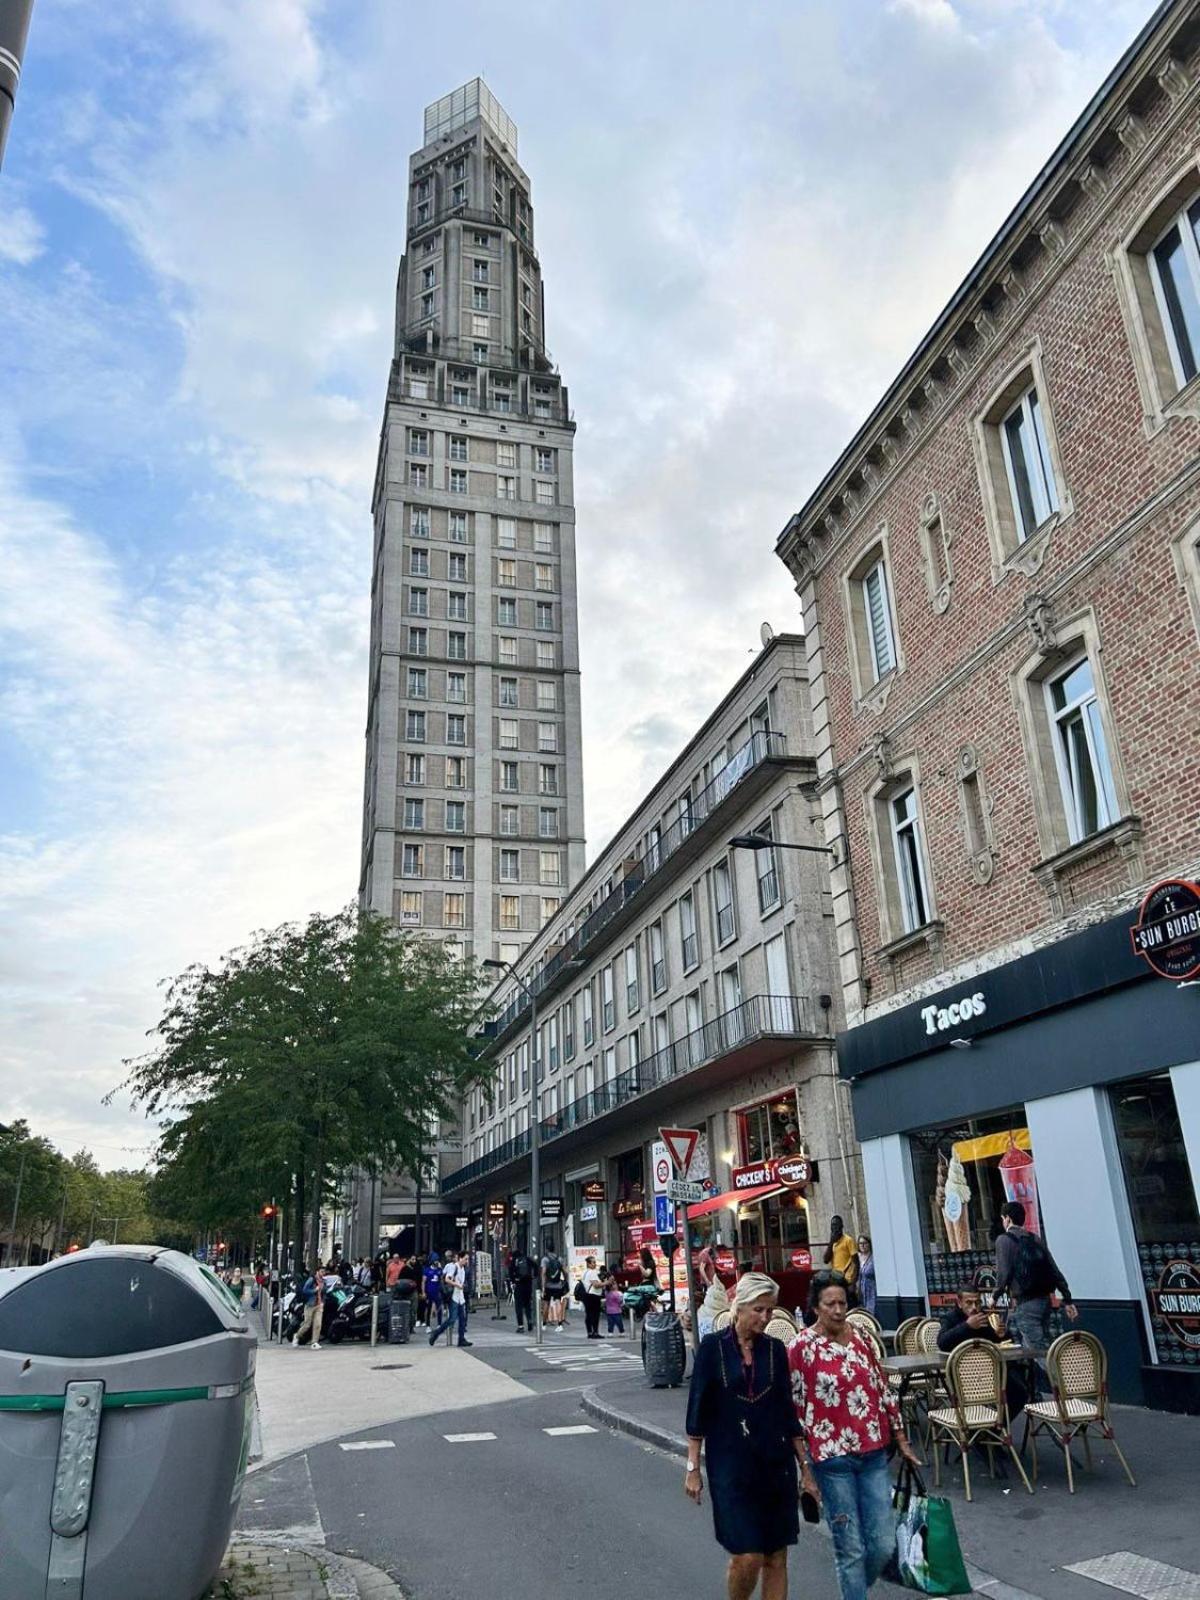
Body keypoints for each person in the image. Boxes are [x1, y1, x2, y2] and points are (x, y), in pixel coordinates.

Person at [789, 1271, 921, 1600]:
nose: (837, 1310)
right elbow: (791, 1408)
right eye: (829, 1304)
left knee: (882, 1543)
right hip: (831, 1459)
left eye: (842, 1303)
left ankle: (855, 1589)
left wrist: (901, 1438)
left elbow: (881, 1386)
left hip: (874, 1451)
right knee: (850, 1549)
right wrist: (804, 1468)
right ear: (815, 1308)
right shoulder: (801, 1348)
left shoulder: (860, 1335)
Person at [684, 1272, 805, 1600]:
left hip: (774, 1463)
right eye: (759, 1310)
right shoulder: (712, 1348)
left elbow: (787, 1411)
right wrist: (693, 1468)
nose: (765, 1318)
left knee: (777, 1556)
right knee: (747, 1555)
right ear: (739, 1308)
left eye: (770, 1311)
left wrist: (806, 1470)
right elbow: (697, 1410)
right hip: (731, 1466)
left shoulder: (776, 1350)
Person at [995, 1200, 1077, 1374]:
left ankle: (1067, 1386)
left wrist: (994, 1297)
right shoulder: (1034, 1238)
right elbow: (1053, 1269)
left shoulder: (1004, 1240)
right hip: (1044, 1301)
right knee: (1031, 1347)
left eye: (1003, 1218)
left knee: (1039, 1352)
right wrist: (1067, 1298)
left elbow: (1003, 1273)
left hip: (1025, 1303)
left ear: (1007, 1219)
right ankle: (1033, 1392)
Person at [937, 1285, 1027, 1417]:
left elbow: (998, 1340)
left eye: (977, 1302)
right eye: (969, 1303)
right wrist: (967, 1326)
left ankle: (996, 1427)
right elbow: (942, 1343)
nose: (974, 1307)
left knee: (1020, 1394)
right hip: (962, 1375)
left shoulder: (984, 1316)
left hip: (990, 1371)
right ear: (960, 1303)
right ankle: (983, 1430)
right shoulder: (950, 1318)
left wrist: (1002, 1334)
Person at [429, 1248, 472, 1347]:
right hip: (454, 1296)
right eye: (465, 1259)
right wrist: (457, 1285)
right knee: (452, 1319)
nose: (467, 1261)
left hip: (460, 1296)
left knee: (462, 1319)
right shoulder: (454, 1267)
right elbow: (447, 1279)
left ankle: (461, 1339)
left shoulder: (463, 1269)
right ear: (460, 1258)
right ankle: (436, 1333)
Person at [292, 1264, 324, 1349]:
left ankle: (314, 1342)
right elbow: (305, 1290)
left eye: (324, 1272)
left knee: (318, 1324)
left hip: (319, 1304)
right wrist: (314, 1290)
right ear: (317, 1272)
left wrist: (322, 1301)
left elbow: (323, 1292)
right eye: (321, 1271)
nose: (323, 1273)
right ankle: (297, 1336)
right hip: (310, 1304)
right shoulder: (312, 1279)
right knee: (307, 1324)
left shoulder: (323, 1281)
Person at [507, 1245, 537, 1333]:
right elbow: (535, 1266)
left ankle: (521, 1326)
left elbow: (510, 1273)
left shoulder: (514, 1261)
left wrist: (514, 1281)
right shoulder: (527, 1259)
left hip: (519, 1285)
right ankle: (530, 1321)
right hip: (528, 1285)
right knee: (528, 1305)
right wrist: (533, 1276)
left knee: (519, 1306)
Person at [823, 1216, 859, 1287]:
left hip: (847, 1280)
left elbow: (856, 1263)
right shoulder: (832, 1242)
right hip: (835, 1279)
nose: (834, 1227)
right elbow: (825, 1260)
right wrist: (831, 1242)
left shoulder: (848, 1240)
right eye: (832, 1225)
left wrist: (853, 1283)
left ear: (841, 1226)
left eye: (836, 1225)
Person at [541, 1243, 568, 1330]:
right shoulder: (559, 1259)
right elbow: (565, 1272)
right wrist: (565, 1280)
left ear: (546, 1249)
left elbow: (543, 1273)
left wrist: (543, 1287)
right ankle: (559, 1324)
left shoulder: (545, 1259)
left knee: (546, 1304)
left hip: (548, 1285)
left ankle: (544, 1324)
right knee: (558, 1303)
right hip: (558, 1285)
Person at [580, 1255, 604, 1339]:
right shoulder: (592, 1272)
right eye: (593, 1262)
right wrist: (606, 1283)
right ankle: (595, 1332)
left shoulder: (585, 1272)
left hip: (586, 1295)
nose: (595, 1264)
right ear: (589, 1264)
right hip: (594, 1295)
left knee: (589, 1314)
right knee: (595, 1314)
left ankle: (589, 1332)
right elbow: (596, 1285)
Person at [422, 1253, 443, 1329]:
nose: (437, 1262)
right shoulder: (427, 1270)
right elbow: (423, 1281)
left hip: (437, 1292)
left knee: (439, 1308)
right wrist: (423, 1292)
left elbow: (442, 1280)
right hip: (429, 1292)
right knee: (428, 1308)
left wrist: (440, 1269)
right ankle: (428, 1325)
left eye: (437, 1260)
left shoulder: (439, 1270)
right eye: (435, 1260)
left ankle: (439, 1324)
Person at [856, 1236, 876, 1315]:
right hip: (861, 1291)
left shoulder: (873, 1258)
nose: (862, 1245)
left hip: (872, 1290)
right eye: (860, 1243)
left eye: (865, 1243)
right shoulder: (858, 1258)